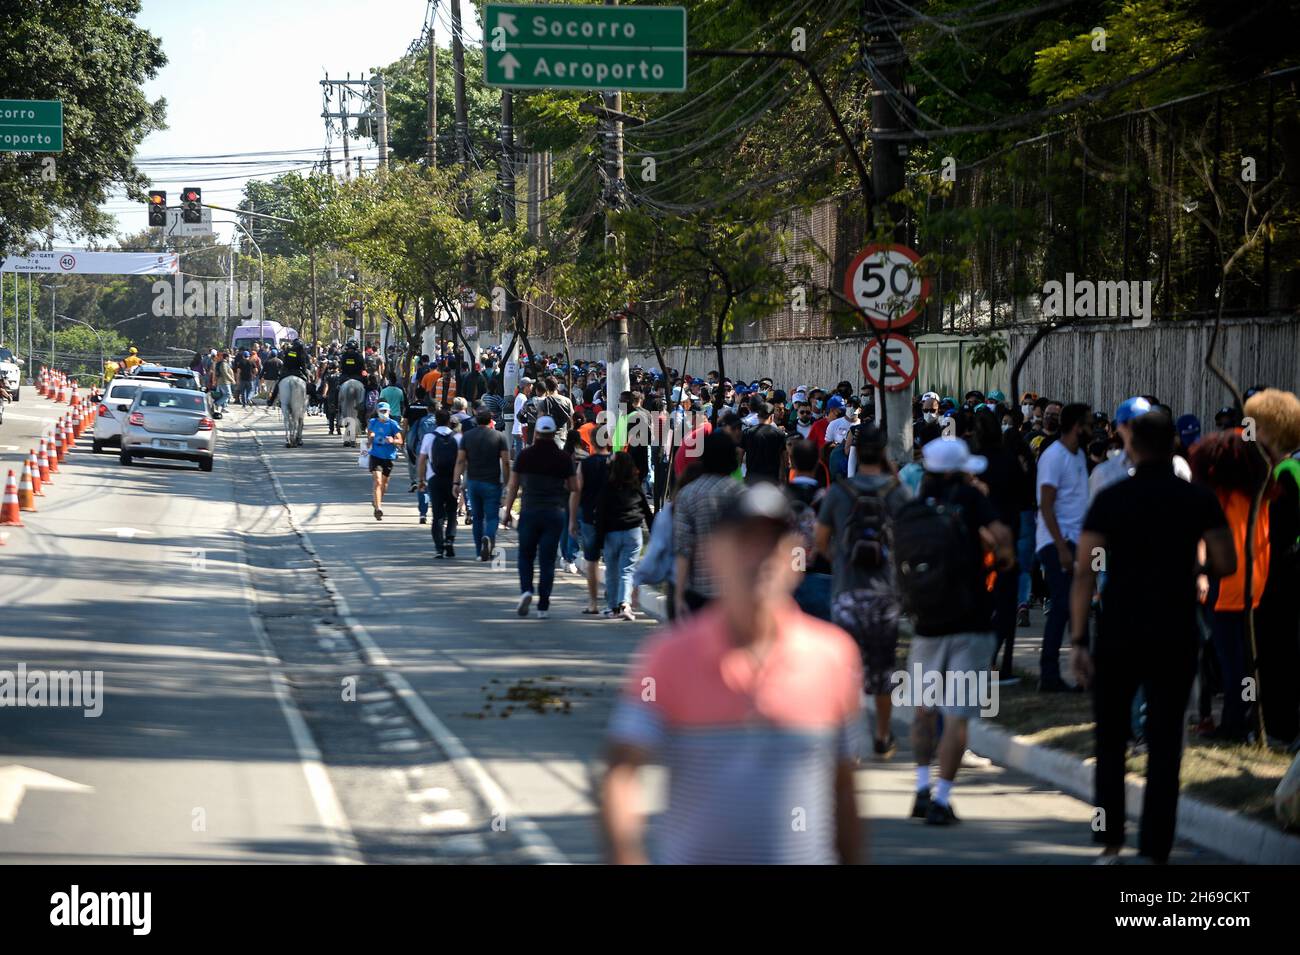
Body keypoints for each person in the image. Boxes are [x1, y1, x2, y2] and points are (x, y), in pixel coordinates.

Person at [601, 482, 864, 864]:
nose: (759, 558)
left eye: (773, 543)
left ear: (796, 556)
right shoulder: (668, 658)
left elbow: (844, 789)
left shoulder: (834, 656)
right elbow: (621, 773)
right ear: (712, 555)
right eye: (744, 542)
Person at [1071, 411, 1235, 864]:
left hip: (1119, 632)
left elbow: (1086, 570)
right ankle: (1156, 847)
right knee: (1166, 745)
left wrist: (1080, 639)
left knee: (1109, 740)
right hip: (1175, 632)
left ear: (1129, 447)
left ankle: (1109, 839)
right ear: (1174, 449)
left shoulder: (1111, 498)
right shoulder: (1198, 499)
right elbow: (1227, 562)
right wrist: (1190, 567)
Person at [897, 437, 1014, 825]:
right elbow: (1004, 544)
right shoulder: (972, 499)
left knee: (924, 710)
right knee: (957, 715)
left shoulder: (915, 505)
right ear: (959, 471)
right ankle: (942, 799)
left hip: (926, 623)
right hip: (971, 623)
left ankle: (919, 789)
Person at [816, 423, 911, 759]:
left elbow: (820, 541)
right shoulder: (897, 492)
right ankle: (883, 736)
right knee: (883, 671)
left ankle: (849, 742)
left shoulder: (840, 492)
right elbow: (910, 539)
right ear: (884, 451)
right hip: (885, 595)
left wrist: (840, 560)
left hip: (846, 593)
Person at [1035, 402, 1092, 692]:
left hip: (1077, 541)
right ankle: (1049, 674)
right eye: (1087, 423)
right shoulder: (1053, 456)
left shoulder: (1079, 455)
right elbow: (1046, 505)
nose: (1091, 429)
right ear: (1075, 426)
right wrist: (1061, 548)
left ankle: (1084, 674)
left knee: (1079, 606)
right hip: (1056, 541)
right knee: (1062, 605)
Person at [502, 416, 578, 619]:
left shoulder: (525, 455)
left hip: (529, 512)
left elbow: (513, 485)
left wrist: (507, 511)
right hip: (554, 514)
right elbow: (574, 487)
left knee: (525, 555)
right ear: (554, 434)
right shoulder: (563, 458)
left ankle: (526, 590)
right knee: (547, 559)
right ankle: (543, 605)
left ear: (536, 433)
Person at [672, 432, 744, 617]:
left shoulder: (688, 494)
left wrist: (678, 595)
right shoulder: (743, 494)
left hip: (700, 591)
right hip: (736, 591)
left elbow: (683, 549)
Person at [594, 451, 654, 621]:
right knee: (627, 570)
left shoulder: (606, 488)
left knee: (612, 572)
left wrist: (598, 541)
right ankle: (624, 604)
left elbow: (600, 515)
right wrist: (653, 533)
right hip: (633, 532)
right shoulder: (636, 488)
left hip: (611, 534)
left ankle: (613, 607)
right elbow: (647, 512)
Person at [454, 406, 511, 561]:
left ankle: (480, 551)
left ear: (476, 420)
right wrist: (507, 483)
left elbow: (460, 460)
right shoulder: (499, 437)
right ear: (491, 421)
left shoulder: (467, 437)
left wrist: (456, 482)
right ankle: (488, 536)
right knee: (492, 517)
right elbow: (506, 462)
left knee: (477, 517)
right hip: (492, 482)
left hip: (473, 481)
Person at [573, 424, 611, 615]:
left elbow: (576, 492)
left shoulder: (585, 465)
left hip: (590, 517)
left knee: (592, 561)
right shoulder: (616, 462)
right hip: (613, 517)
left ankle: (593, 603)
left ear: (593, 442)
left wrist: (572, 519)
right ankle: (614, 599)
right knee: (612, 559)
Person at [417, 408, 461, 557]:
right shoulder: (458, 437)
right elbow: (462, 461)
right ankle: (449, 539)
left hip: (434, 479)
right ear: (450, 421)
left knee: (437, 514)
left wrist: (421, 480)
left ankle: (439, 547)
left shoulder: (429, 437)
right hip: (452, 479)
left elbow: (422, 460)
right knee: (452, 512)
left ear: (436, 421)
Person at [365, 400, 403, 521]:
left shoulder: (393, 424)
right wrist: (370, 439)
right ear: (377, 412)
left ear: (389, 412)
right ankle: (378, 509)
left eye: (385, 411)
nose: (383, 413)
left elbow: (400, 441)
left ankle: (376, 500)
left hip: (388, 456)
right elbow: (369, 436)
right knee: (378, 481)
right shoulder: (373, 422)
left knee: (384, 484)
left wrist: (393, 441)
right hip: (376, 455)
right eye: (381, 411)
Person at [740, 401, 788, 485]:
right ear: (772, 417)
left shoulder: (747, 433)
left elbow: (739, 456)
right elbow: (784, 459)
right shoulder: (779, 434)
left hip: (751, 480)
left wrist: (738, 478)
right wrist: (783, 479)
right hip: (772, 481)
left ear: (758, 416)